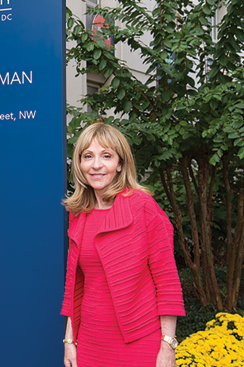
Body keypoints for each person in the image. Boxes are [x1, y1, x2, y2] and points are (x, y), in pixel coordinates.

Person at [61, 123, 185, 367]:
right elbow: (75, 285)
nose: (96, 165)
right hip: (90, 343)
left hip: (140, 341)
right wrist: (69, 342)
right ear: (79, 164)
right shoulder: (79, 213)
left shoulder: (143, 207)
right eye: (88, 156)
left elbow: (167, 281)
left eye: (106, 156)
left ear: (120, 164)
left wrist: (168, 345)